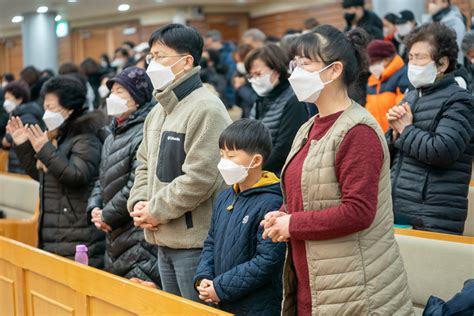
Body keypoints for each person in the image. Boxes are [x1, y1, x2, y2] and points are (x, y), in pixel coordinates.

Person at [260, 25, 413, 315]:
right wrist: (283, 212)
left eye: (304, 65)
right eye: (294, 64)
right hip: (317, 281)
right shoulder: (309, 126)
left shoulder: (358, 131)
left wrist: (293, 224)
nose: (295, 73)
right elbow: (305, 187)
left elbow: (358, 211)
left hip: (355, 288)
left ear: (333, 71)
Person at [128, 24, 232, 302]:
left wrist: (156, 209)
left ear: (186, 61)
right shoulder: (158, 110)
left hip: (194, 242)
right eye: (150, 56)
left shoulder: (206, 108)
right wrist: (139, 202)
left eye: (160, 56)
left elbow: (200, 177)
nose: (152, 64)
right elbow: (143, 165)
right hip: (160, 235)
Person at [6, 75, 106, 267]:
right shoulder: (57, 136)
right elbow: (45, 177)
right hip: (56, 232)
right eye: (45, 107)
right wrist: (23, 146)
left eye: (51, 108)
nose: (46, 114)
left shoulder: (86, 137)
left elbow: (76, 175)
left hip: (77, 234)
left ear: (69, 109)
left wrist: (44, 149)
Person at [386, 23, 474, 235]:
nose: (413, 64)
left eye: (420, 58)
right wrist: (393, 133)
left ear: (442, 64)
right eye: (411, 57)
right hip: (399, 208)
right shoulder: (411, 95)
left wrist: (406, 130)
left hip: (434, 214)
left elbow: (443, 151)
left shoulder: (459, 101)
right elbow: (394, 154)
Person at [194, 119, 286, 315]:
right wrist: (204, 278)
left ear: (257, 160)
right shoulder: (225, 196)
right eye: (222, 155)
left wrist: (221, 288)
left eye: (232, 156)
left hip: (257, 305)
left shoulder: (271, 202)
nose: (224, 163)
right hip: (223, 301)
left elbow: (268, 260)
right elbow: (211, 241)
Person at [87, 67, 159, 283]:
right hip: (114, 234)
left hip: (135, 232)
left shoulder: (144, 131)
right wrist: (95, 208)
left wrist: (107, 215)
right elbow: (101, 178)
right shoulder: (112, 134)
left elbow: (137, 183)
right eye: (112, 92)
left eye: (120, 92)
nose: (112, 97)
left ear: (137, 98)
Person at [245, 43, 310, 174]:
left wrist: (253, 170)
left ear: (276, 70)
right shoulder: (261, 98)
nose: (255, 80)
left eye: (258, 74)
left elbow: (284, 148)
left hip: (278, 177)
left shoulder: (293, 99)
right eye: (251, 76)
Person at [366, 40, 409, 132]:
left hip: (395, 135)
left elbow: (402, 108)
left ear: (386, 59)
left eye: (373, 62)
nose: (371, 67)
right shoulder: (373, 80)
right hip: (378, 136)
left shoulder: (403, 76)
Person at [2, 81, 44, 174]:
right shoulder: (17, 114)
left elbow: (6, 142)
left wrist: (8, 138)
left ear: (19, 99)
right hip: (17, 163)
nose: (5, 102)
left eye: (8, 98)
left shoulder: (27, 116)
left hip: (22, 167)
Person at [428, 0, 466, 64]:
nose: (430, 5)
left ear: (445, 3)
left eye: (434, 2)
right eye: (429, 2)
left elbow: (453, 50)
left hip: (452, 68)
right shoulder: (431, 22)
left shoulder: (455, 22)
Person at [205, 30, 237, 106]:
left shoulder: (229, 55)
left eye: (209, 44)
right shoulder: (210, 54)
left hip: (227, 95)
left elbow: (230, 76)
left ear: (218, 41)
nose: (208, 47)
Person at [232, 44, 257, 119]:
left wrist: (244, 81)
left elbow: (254, 100)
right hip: (246, 113)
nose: (239, 64)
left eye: (242, 60)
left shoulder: (258, 74)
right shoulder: (237, 75)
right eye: (237, 61)